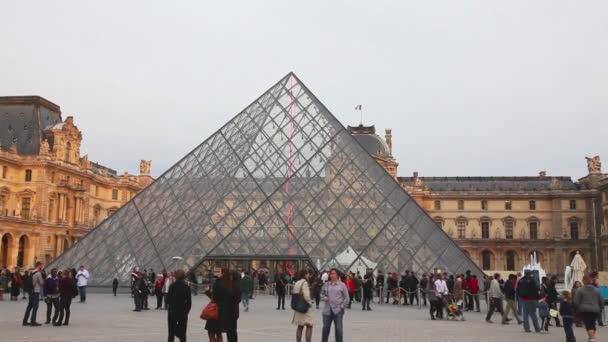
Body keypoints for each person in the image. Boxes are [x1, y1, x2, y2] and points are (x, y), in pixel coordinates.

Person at [321, 269, 349, 342]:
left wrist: (342, 306)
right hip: (327, 310)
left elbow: (347, 298)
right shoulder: (326, 284)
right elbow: (321, 294)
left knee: (338, 330)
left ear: (337, 275)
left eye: (334, 273)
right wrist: (324, 298)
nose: (332, 275)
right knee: (325, 329)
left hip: (338, 310)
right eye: (331, 273)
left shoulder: (342, 285)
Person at [575, 274, 602, 342]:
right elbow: (601, 300)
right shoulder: (597, 290)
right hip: (595, 309)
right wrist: (601, 308)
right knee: (592, 324)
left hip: (585, 310)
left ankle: (592, 338)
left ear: (583, 281)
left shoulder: (580, 290)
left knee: (588, 324)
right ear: (591, 281)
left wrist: (578, 308)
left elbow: (577, 301)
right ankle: (591, 337)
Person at [167, 269, 191, 342]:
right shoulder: (186, 287)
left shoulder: (172, 286)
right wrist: (186, 311)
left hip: (172, 312)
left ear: (176, 276)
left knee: (171, 333)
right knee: (183, 334)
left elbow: (168, 300)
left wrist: (170, 309)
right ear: (184, 277)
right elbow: (189, 302)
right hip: (182, 312)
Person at [292, 269, 313, 342]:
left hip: (298, 307)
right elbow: (306, 296)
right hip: (305, 308)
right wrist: (310, 303)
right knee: (309, 326)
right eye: (307, 274)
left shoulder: (297, 282)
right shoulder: (304, 283)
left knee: (300, 326)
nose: (308, 276)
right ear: (305, 275)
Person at [22, 262, 44, 326]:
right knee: (35, 307)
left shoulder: (31, 272)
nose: (42, 267)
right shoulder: (38, 273)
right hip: (36, 291)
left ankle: (25, 321)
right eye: (41, 266)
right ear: (39, 266)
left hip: (30, 291)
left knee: (29, 306)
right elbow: (41, 283)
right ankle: (33, 321)